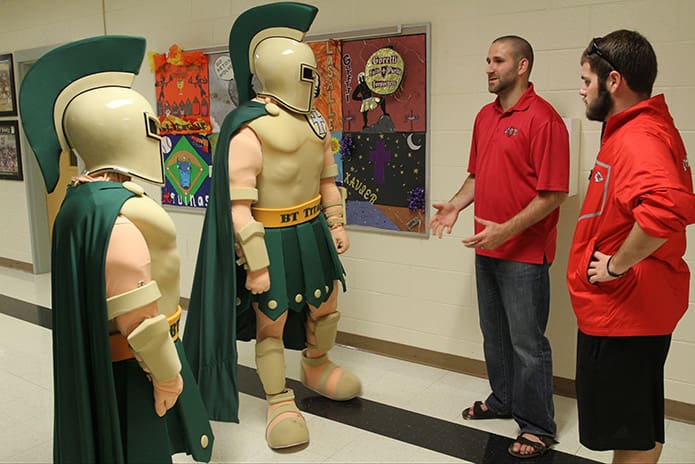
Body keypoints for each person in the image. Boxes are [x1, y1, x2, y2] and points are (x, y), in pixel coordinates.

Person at [19, 36, 213, 463]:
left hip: (107, 361)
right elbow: (141, 322)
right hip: (135, 366)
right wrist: (167, 377)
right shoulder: (117, 216)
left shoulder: (82, 200)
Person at [183, 2, 361, 450]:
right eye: (307, 72)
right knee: (273, 322)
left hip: (312, 232)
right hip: (272, 237)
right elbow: (237, 207)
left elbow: (327, 181)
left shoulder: (315, 125)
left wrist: (335, 223)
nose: (313, 80)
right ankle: (278, 398)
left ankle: (317, 364)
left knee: (326, 306)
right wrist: (256, 264)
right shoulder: (249, 129)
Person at [429, 35, 569, 458]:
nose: (489, 68)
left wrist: (506, 231)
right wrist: (454, 205)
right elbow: (476, 175)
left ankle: (537, 425)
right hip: (486, 247)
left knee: (528, 342)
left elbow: (553, 194)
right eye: (487, 60)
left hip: (524, 254)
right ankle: (503, 400)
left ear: (522, 66)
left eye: (498, 60)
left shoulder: (544, 120)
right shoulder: (484, 117)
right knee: (494, 335)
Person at [568, 30, 695, 464]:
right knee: (640, 422)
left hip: (626, 313)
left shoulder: (638, 137)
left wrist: (618, 266)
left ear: (614, 81)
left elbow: (663, 214)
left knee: (630, 433)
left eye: (587, 80)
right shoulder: (638, 128)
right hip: (635, 311)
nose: (582, 89)